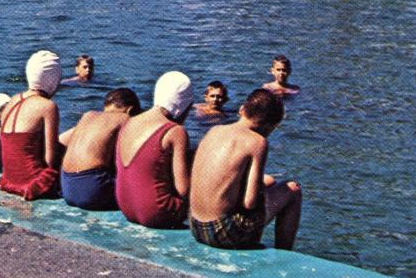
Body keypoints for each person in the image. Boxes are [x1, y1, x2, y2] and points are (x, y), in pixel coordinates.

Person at [189, 89, 302, 250]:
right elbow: (249, 203)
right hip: (221, 234)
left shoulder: (215, 130)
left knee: (269, 181)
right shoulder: (258, 142)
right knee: (293, 189)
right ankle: (284, 252)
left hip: (197, 226)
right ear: (272, 125)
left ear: (242, 110)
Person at [115, 71, 193, 229]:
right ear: (183, 106)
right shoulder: (175, 131)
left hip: (126, 207)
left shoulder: (130, 121)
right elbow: (183, 189)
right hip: (158, 213)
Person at [59, 88, 142, 210]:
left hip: (67, 187)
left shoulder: (88, 115)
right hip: (93, 190)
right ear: (130, 110)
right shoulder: (125, 119)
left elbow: (61, 140)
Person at [0, 50, 63, 200]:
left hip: (10, 179)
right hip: (32, 183)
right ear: (53, 80)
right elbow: (50, 159)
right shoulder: (48, 106)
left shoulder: (13, 100)